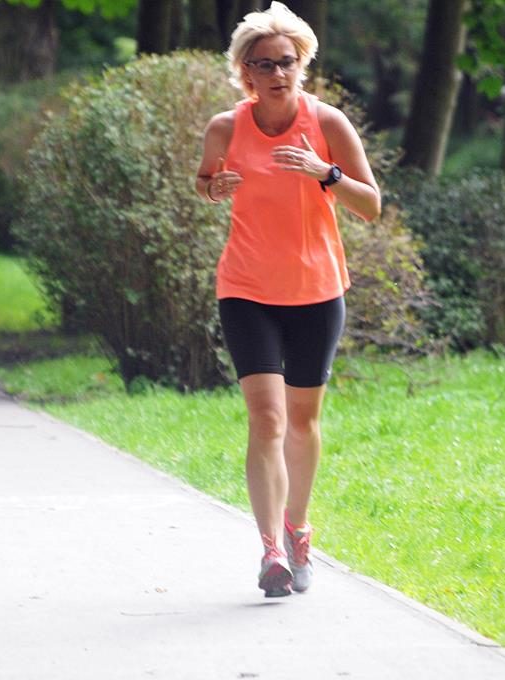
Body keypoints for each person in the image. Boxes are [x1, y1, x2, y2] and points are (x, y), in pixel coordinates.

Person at [195, 2, 380, 596]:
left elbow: (371, 205)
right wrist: (214, 188)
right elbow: (205, 180)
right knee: (267, 418)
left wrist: (324, 172)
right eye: (264, 64)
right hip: (246, 289)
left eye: (287, 61)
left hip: (316, 291)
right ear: (245, 71)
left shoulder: (327, 123)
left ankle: (298, 528)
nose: (277, 73)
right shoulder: (226, 128)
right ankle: (271, 549)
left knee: (302, 421)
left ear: (302, 64)